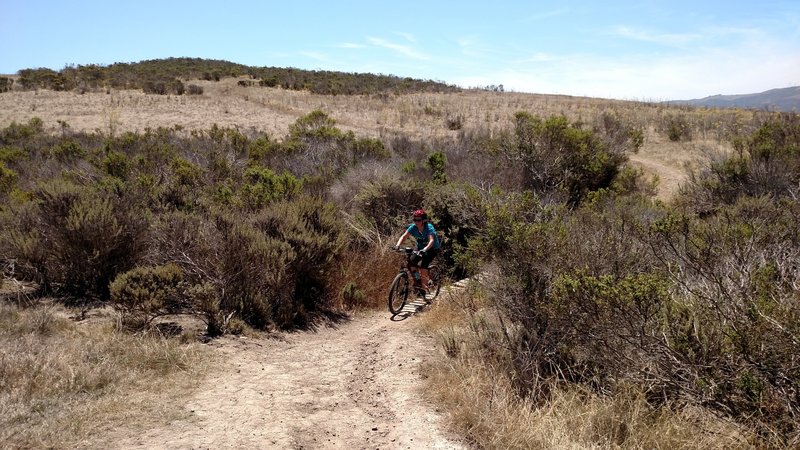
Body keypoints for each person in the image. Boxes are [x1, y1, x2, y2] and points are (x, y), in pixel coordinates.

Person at [394, 209, 440, 296]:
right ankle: (418, 280)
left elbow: (431, 241)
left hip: (432, 249)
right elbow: (404, 236)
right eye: (415, 220)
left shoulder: (429, 227)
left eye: (418, 220)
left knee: (424, 266)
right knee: (411, 262)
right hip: (420, 248)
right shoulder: (413, 227)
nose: (416, 222)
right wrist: (398, 245)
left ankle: (424, 287)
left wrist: (425, 249)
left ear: (423, 220)